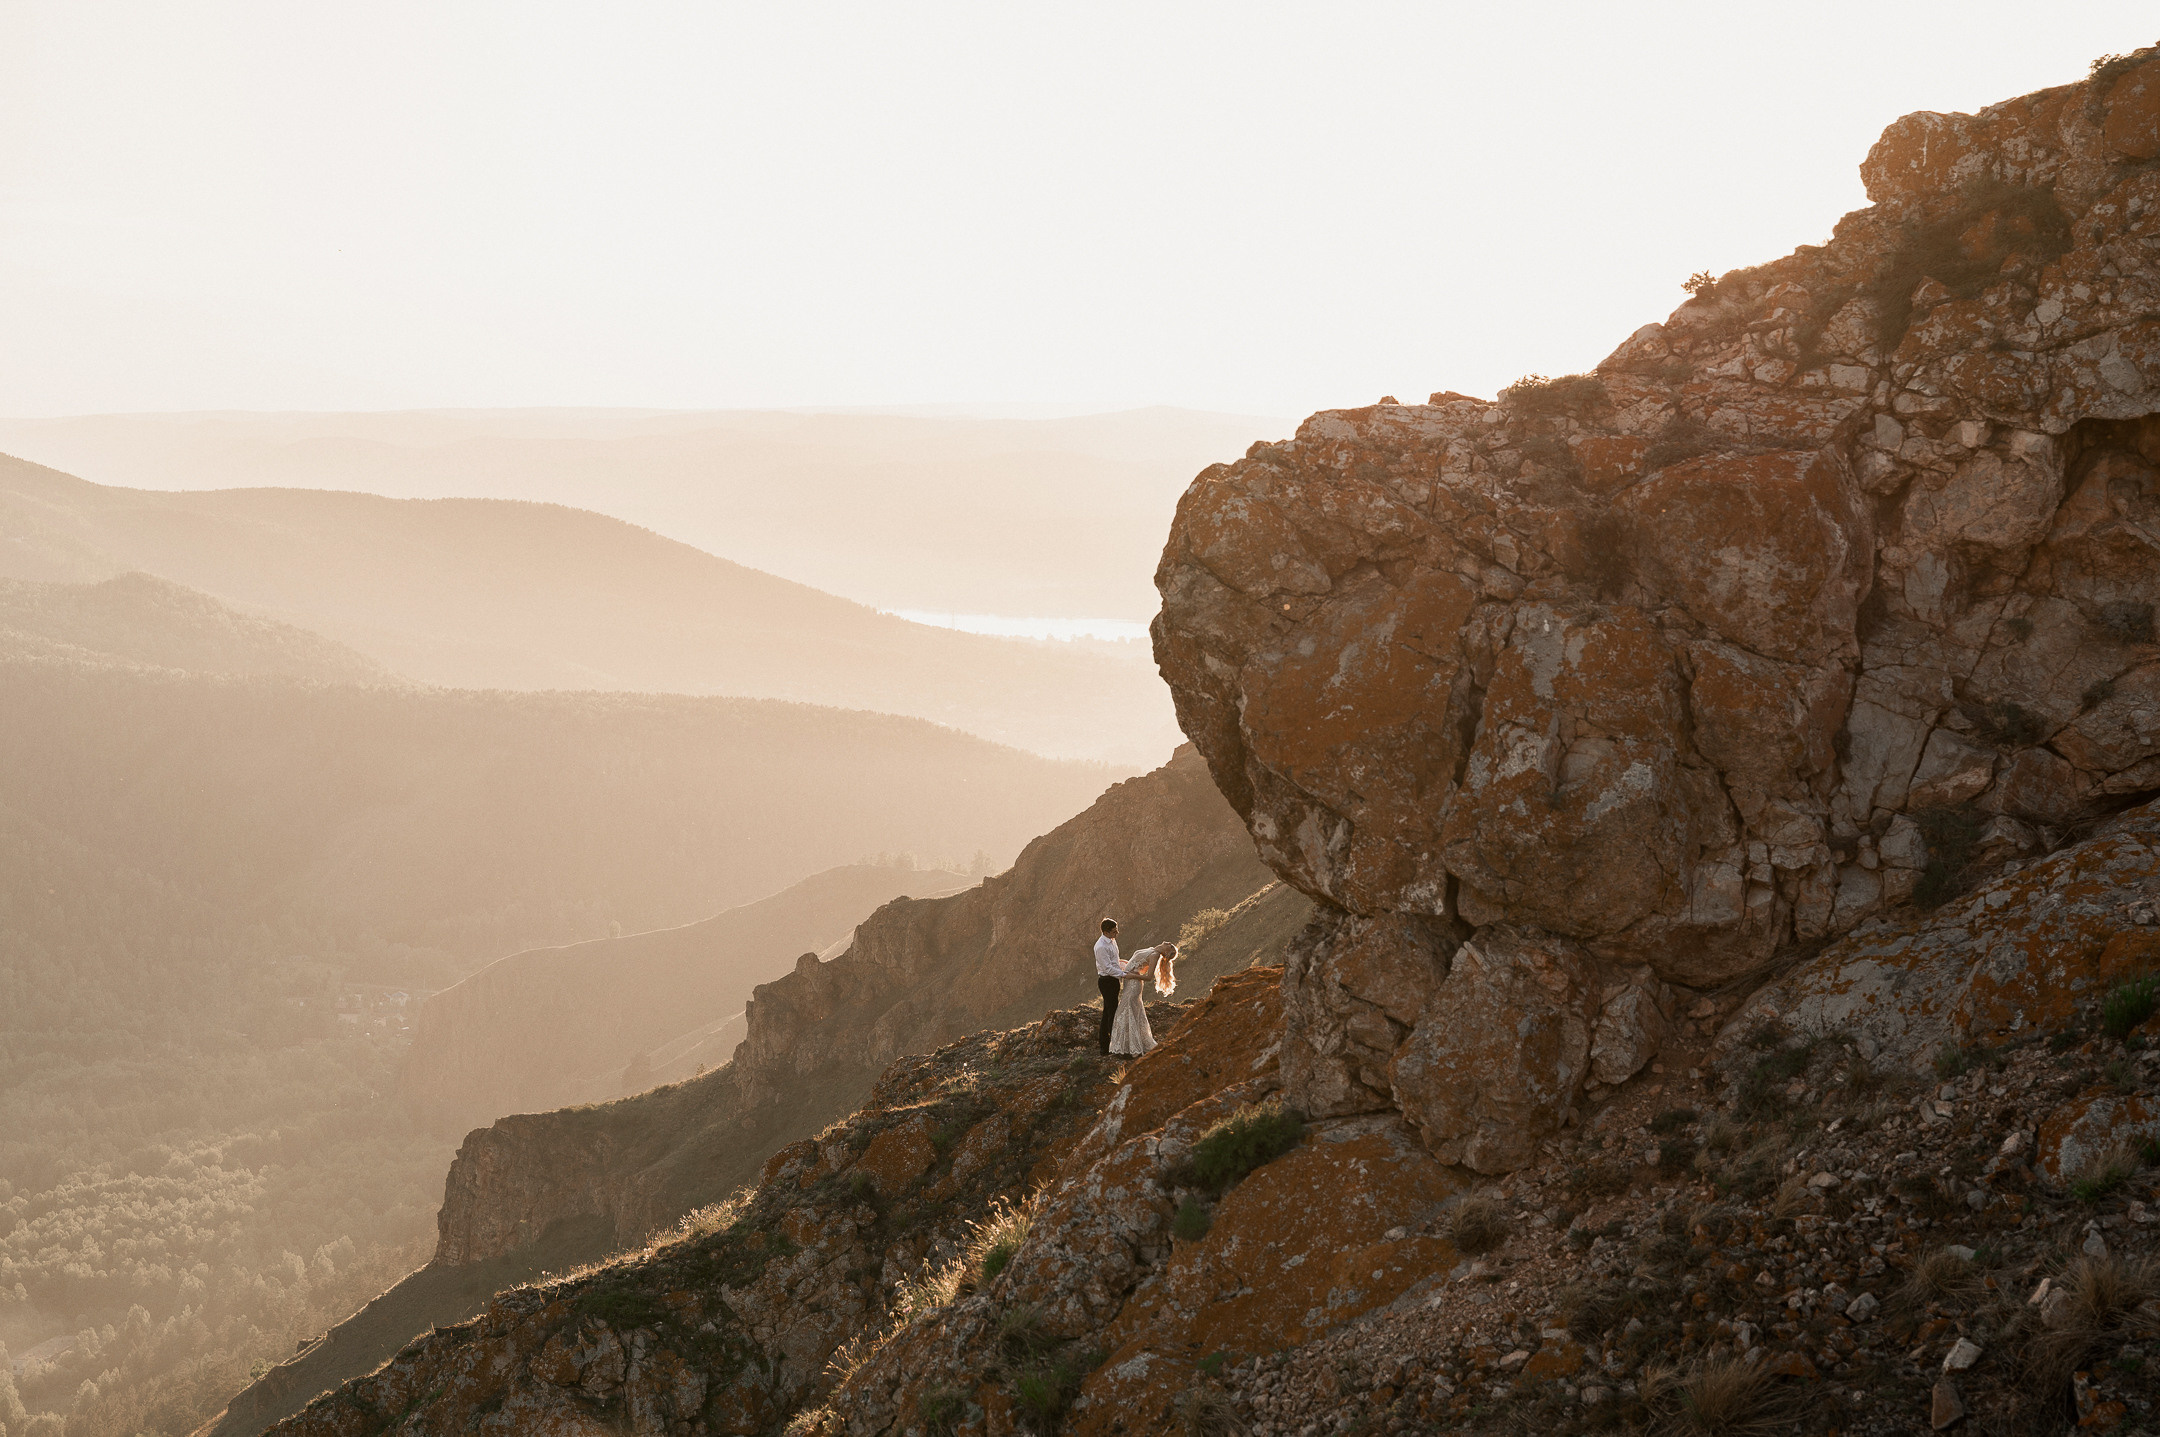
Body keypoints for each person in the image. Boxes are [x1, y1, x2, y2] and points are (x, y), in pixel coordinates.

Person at [1109, 941, 1177, 1058]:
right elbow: (1139, 966)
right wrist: (1125, 965)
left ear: (1166, 952)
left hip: (1134, 985)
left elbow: (1149, 977)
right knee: (1128, 1013)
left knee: (1124, 1013)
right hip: (1129, 983)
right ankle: (1126, 1047)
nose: (1169, 943)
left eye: (1170, 946)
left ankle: (1130, 1049)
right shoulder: (1152, 950)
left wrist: (1132, 975)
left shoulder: (1155, 955)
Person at [1094, 918, 1124, 1055]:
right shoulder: (1101, 947)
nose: (1116, 933)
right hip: (1107, 981)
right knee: (1112, 1013)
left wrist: (1124, 966)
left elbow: (1114, 961)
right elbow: (1107, 968)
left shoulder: (1112, 941)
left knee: (1107, 1012)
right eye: (1114, 931)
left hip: (1113, 980)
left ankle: (1105, 1046)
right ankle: (1113, 1045)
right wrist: (1124, 974)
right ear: (1106, 932)